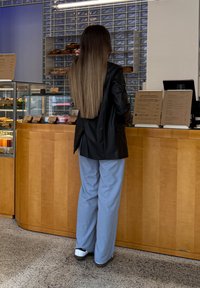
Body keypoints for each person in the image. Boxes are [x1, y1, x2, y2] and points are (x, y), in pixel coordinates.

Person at [69, 25, 131, 267]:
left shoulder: (76, 70)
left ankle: (82, 246)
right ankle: (103, 254)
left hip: (86, 140)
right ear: (105, 45)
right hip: (111, 144)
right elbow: (123, 108)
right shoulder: (114, 71)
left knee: (88, 192)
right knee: (108, 197)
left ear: (84, 46)